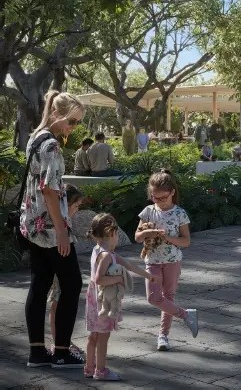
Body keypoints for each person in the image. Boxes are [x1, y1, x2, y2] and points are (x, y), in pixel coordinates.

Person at [20, 90, 85, 369]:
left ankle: (38, 353)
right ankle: (61, 351)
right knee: (72, 284)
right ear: (57, 114)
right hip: (49, 226)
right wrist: (61, 230)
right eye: (72, 121)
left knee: (40, 282)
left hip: (33, 224)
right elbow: (49, 188)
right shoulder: (52, 146)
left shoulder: (35, 138)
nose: (73, 128)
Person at [134, 170, 200, 351]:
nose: (159, 202)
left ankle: (163, 336)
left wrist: (169, 238)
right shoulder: (148, 212)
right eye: (155, 198)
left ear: (172, 193)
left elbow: (186, 241)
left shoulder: (179, 213)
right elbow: (138, 237)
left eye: (162, 197)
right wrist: (148, 233)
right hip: (152, 260)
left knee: (168, 297)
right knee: (154, 298)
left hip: (172, 260)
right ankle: (186, 315)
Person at [85, 213, 156, 381]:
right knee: (103, 336)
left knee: (94, 335)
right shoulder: (107, 255)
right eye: (117, 234)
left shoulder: (99, 250)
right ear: (112, 233)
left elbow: (129, 265)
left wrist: (148, 276)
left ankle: (89, 367)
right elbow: (99, 279)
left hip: (93, 299)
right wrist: (118, 278)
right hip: (104, 301)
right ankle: (100, 371)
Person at [46, 184, 84, 358]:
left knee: (57, 302)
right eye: (75, 206)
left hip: (60, 268)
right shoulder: (58, 223)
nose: (76, 210)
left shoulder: (64, 222)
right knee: (57, 303)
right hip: (59, 271)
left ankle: (62, 341)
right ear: (64, 204)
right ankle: (59, 343)